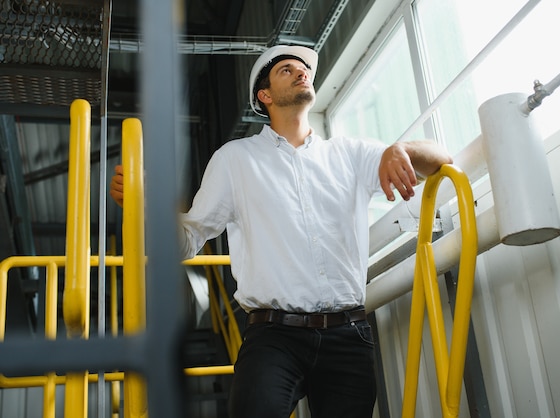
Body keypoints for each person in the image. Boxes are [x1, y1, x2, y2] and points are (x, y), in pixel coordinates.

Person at [110, 45, 452, 418]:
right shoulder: (234, 159)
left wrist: (399, 149)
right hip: (274, 338)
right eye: (287, 70)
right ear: (265, 96)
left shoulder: (351, 154)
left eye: (304, 69)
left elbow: (441, 159)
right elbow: (187, 240)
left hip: (348, 333)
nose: (302, 72)